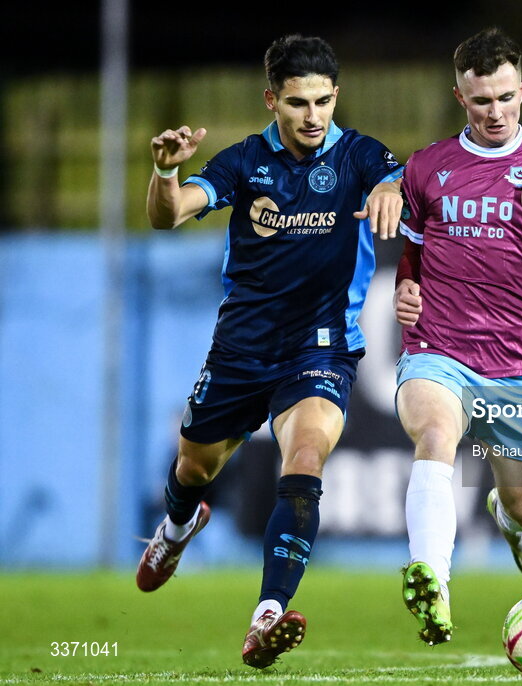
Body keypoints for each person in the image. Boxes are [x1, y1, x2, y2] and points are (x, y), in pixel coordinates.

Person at [136, 34, 403, 669]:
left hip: (322, 347)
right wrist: (167, 172)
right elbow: (167, 215)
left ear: (336, 96)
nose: (312, 116)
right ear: (271, 100)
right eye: (297, 103)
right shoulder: (244, 161)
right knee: (195, 468)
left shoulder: (360, 155)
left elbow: (398, 176)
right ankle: (177, 529)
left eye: (323, 101)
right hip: (240, 350)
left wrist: (394, 188)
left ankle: (268, 615)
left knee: (305, 455)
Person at [391, 27, 522, 645]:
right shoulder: (428, 168)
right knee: (433, 435)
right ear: (460, 97)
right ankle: (434, 581)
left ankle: (513, 523)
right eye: (482, 101)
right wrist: (405, 287)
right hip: (438, 349)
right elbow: (413, 256)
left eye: (506, 97)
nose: (496, 112)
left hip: (517, 366)